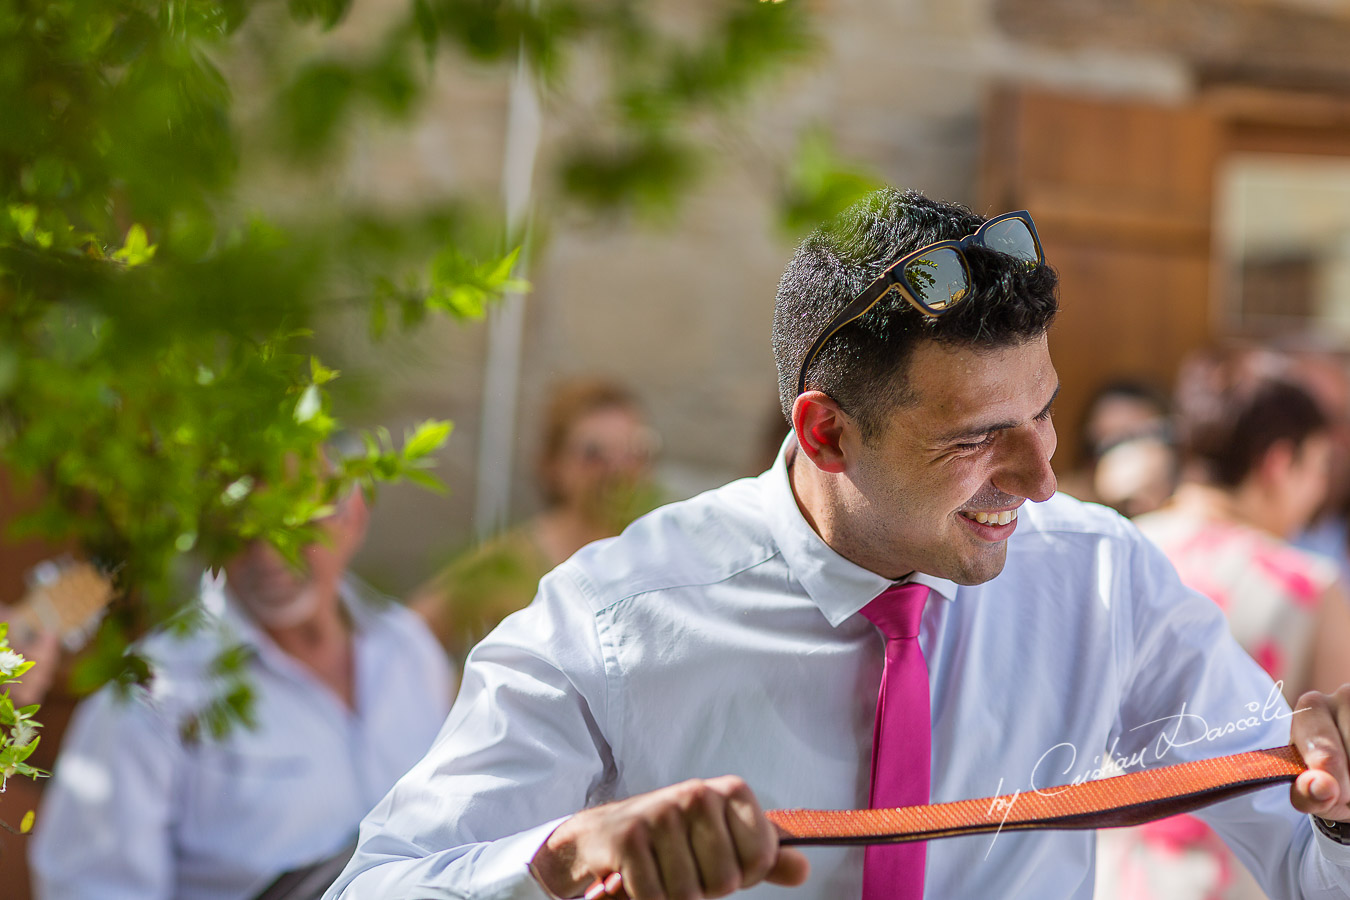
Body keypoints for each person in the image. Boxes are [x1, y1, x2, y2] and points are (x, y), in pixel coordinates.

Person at [324, 189, 1350, 900]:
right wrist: (554, 860)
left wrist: (1343, 810)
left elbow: (1304, 861)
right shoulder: (614, 618)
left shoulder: (1105, 580)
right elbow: (381, 883)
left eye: (1044, 413)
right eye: (978, 439)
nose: (1043, 478)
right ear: (824, 432)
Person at [30, 484, 453, 900]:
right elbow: (89, 888)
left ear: (352, 515)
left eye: (290, 525)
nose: (267, 555)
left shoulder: (409, 651)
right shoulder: (149, 696)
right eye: (241, 530)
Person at [1095, 346, 1350, 900]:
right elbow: (1338, 767)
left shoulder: (1120, 551)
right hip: (1242, 878)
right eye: (1317, 467)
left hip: (1114, 871)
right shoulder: (1308, 585)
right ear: (1279, 464)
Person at [410, 377, 660, 662]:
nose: (618, 470)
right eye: (594, 455)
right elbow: (412, 631)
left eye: (636, 451)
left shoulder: (654, 550)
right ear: (553, 466)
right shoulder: (515, 557)